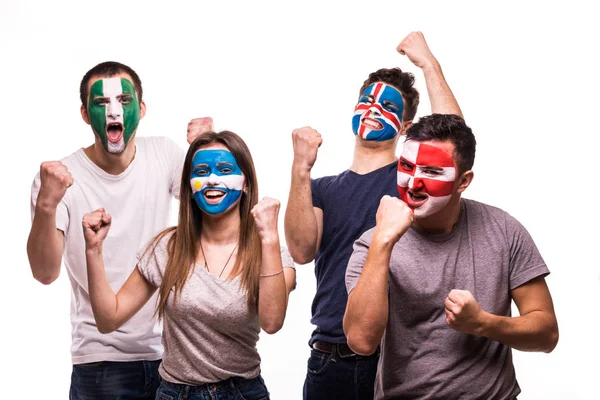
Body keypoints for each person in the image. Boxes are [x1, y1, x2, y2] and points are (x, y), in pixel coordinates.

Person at [284, 32, 463, 400]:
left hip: (394, 358)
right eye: (366, 100)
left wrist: (429, 64)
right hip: (327, 358)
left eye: (385, 105)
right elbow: (301, 251)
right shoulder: (321, 188)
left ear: (404, 127)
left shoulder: (409, 179)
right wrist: (300, 169)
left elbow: (453, 141)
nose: (371, 108)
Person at [27, 61, 211, 399]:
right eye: (101, 103)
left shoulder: (165, 154)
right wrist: (46, 206)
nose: (114, 111)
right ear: (85, 113)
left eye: (124, 101)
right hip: (100, 362)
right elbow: (44, 273)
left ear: (141, 109)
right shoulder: (61, 177)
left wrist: (205, 149)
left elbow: (210, 221)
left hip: (171, 356)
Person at [343, 114, 559, 399]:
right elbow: (361, 340)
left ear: (463, 181)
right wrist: (383, 241)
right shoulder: (372, 243)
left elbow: (546, 334)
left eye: (432, 171)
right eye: (407, 167)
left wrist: (482, 323)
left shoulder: (503, 229)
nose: (413, 183)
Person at [83, 131, 296, 400]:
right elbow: (108, 318)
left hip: (242, 392)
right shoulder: (167, 248)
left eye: (225, 169)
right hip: (176, 393)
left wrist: (268, 237)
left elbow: (273, 322)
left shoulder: (271, 252)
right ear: (190, 187)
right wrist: (93, 250)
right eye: (202, 171)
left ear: (246, 183)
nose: (213, 179)